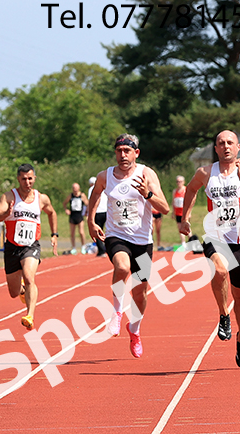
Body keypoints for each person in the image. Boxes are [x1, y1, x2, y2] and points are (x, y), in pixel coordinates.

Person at [179, 130, 240, 367]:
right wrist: (185, 218)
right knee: (220, 270)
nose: (225, 146)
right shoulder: (205, 173)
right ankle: (223, 314)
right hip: (216, 237)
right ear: (215, 148)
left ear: (237, 147)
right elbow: (191, 189)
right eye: (221, 143)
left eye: (230, 143)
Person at [87, 134, 169, 358]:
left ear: (136, 153)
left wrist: (147, 194)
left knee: (140, 294)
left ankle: (134, 329)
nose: (123, 155)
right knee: (122, 267)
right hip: (116, 236)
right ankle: (116, 313)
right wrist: (91, 221)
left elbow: (164, 208)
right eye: (119, 151)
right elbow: (95, 196)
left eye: (127, 151)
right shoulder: (105, 176)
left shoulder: (146, 174)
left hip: (142, 241)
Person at [0, 163, 59, 331]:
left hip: (31, 245)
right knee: (13, 292)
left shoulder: (41, 198)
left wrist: (54, 234)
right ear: (18, 179)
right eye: (23, 179)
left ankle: (30, 315)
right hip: (12, 247)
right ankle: (22, 291)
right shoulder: (9, 197)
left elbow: (52, 213)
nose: (27, 182)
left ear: (34, 178)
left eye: (30, 179)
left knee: (29, 277)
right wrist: (6, 214)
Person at [88, 176, 108, 256]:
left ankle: (101, 250)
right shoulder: (104, 188)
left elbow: (91, 201)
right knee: (107, 230)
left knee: (97, 232)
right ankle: (108, 247)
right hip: (106, 211)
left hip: (97, 212)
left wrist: (89, 214)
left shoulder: (92, 189)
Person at [65, 183, 87, 253]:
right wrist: (66, 209)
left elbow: (87, 204)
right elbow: (64, 203)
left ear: (79, 188)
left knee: (81, 232)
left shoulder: (82, 195)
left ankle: (83, 246)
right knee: (72, 233)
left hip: (80, 215)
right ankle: (73, 247)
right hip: (72, 215)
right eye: (74, 188)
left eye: (76, 188)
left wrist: (86, 213)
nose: (75, 190)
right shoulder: (70, 196)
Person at [172, 175, 187, 245]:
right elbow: (173, 202)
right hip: (177, 212)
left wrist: (189, 212)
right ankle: (183, 243)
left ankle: (192, 241)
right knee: (180, 228)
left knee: (186, 228)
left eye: (180, 182)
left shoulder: (186, 190)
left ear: (183, 182)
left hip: (184, 212)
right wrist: (173, 212)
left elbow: (189, 202)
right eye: (177, 182)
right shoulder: (175, 191)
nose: (178, 183)